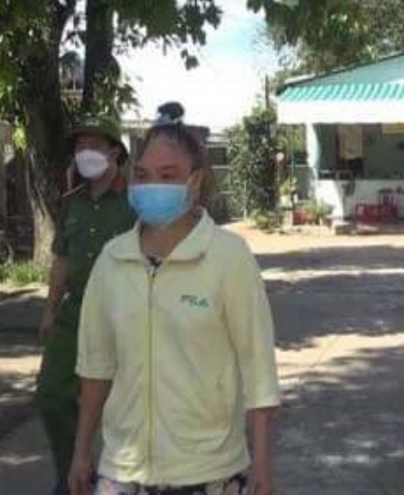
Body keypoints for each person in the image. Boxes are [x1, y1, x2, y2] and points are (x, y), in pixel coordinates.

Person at [67, 104, 281, 495]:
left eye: (168, 176)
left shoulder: (228, 258)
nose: (153, 186)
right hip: (122, 469)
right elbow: (95, 367)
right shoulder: (112, 260)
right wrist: (82, 451)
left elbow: (258, 368)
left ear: (194, 181)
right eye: (143, 175)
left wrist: (262, 464)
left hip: (209, 470)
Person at [36, 113, 137, 495]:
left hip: (124, 313)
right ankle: (73, 477)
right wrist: (50, 310)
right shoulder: (72, 203)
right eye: (80, 146)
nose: (86, 152)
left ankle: (121, 479)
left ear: (115, 152)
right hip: (76, 312)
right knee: (51, 396)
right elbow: (62, 259)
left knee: (124, 404)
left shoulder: (134, 202)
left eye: (95, 144)